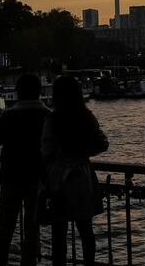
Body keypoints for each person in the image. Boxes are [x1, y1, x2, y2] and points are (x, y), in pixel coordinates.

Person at [42, 75, 108, 266]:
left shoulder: (52, 120)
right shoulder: (87, 117)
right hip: (81, 178)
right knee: (86, 230)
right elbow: (102, 143)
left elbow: (46, 151)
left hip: (58, 180)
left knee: (59, 233)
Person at [0, 73, 52, 266]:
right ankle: (29, 261)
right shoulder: (47, 116)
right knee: (33, 228)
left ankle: (0, 261)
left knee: (5, 228)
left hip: (12, 177)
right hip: (37, 178)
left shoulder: (9, 116)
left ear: (18, 93)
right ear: (39, 92)